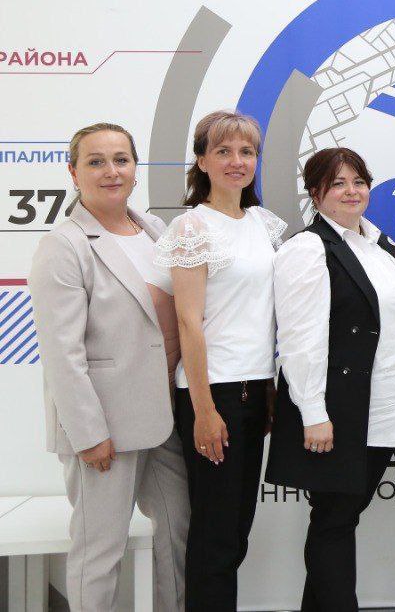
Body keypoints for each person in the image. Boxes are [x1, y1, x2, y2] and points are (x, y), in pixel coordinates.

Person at [28, 123, 189, 611]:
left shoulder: (155, 230)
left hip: (164, 419)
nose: (111, 171)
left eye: (121, 159)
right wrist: (88, 433)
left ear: (136, 168)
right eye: (96, 162)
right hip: (105, 429)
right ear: (73, 172)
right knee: (100, 550)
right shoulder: (65, 244)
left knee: (178, 534)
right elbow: (62, 353)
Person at [267, 148, 395, 611]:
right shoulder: (307, 249)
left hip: (381, 407)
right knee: (334, 521)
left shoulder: (379, 245)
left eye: (358, 181)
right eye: (337, 183)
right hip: (335, 412)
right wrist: (313, 413)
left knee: (340, 519)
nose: (351, 191)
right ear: (315, 194)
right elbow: (300, 339)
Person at [157, 110, 285, 611]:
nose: (237, 161)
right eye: (224, 151)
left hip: (255, 391)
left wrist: (269, 388)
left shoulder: (263, 224)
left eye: (246, 152)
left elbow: (261, 317)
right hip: (213, 395)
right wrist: (205, 410)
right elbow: (189, 323)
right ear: (203, 161)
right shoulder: (192, 227)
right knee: (214, 535)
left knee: (236, 531)